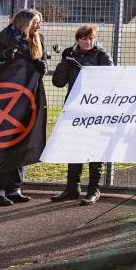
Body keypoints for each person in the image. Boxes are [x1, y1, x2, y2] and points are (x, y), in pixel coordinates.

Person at [0, 8, 46, 207]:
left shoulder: (37, 38)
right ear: (25, 22)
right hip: (6, 99)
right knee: (4, 143)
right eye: (36, 22)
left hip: (28, 98)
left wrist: (41, 67)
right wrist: (3, 56)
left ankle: (15, 188)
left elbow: (39, 65)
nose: (39, 26)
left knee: (22, 140)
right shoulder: (2, 38)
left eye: (39, 22)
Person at [50, 25, 113, 205]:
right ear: (77, 40)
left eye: (91, 38)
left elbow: (110, 80)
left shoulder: (102, 56)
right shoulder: (70, 56)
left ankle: (93, 189)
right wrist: (64, 62)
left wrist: (85, 68)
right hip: (73, 109)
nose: (88, 42)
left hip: (96, 110)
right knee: (74, 148)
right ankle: (72, 187)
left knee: (93, 149)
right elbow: (58, 83)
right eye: (84, 39)